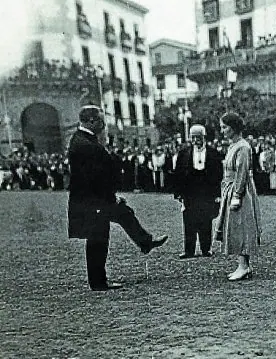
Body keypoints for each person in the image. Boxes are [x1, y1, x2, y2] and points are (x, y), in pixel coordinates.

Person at [67, 105, 168, 291]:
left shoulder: (83, 140)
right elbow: (96, 178)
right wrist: (111, 199)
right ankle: (98, 282)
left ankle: (145, 242)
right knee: (98, 239)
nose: (104, 123)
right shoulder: (86, 145)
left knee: (124, 213)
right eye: (100, 120)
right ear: (91, 121)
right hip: (94, 201)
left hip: (95, 199)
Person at [213, 112, 261, 281]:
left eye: (224, 127)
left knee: (241, 227)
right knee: (234, 226)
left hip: (239, 190)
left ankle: (244, 266)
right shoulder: (233, 145)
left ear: (233, 128)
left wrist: (237, 195)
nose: (222, 130)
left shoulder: (243, 147)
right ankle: (242, 264)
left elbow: (241, 172)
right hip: (230, 188)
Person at [173, 124, 223, 259]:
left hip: (206, 191)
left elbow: (219, 175)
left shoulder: (213, 153)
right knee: (188, 220)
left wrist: (218, 194)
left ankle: (206, 249)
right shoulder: (184, 153)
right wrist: (178, 192)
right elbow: (178, 173)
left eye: (198, 137)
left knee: (206, 220)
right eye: (193, 137)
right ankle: (189, 250)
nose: (196, 140)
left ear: (204, 137)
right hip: (190, 191)